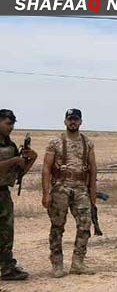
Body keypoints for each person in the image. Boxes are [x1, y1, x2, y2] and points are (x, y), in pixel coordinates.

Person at [42, 109, 97, 277]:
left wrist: (93, 194)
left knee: (85, 224)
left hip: (81, 188)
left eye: (76, 119)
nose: (73, 122)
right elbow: (46, 168)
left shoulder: (87, 143)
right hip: (61, 187)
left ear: (81, 122)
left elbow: (93, 169)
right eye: (70, 119)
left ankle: (78, 262)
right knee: (57, 226)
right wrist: (46, 193)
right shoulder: (55, 142)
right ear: (65, 121)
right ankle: (57, 264)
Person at [0, 109, 38, 281]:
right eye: (8, 123)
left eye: (13, 124)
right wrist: (14, 160)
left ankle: (7, 268)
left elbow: (18, 174)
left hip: (3, 194)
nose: (11, 127)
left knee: (6, 232)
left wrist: (31, 159)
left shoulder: (11, 146)